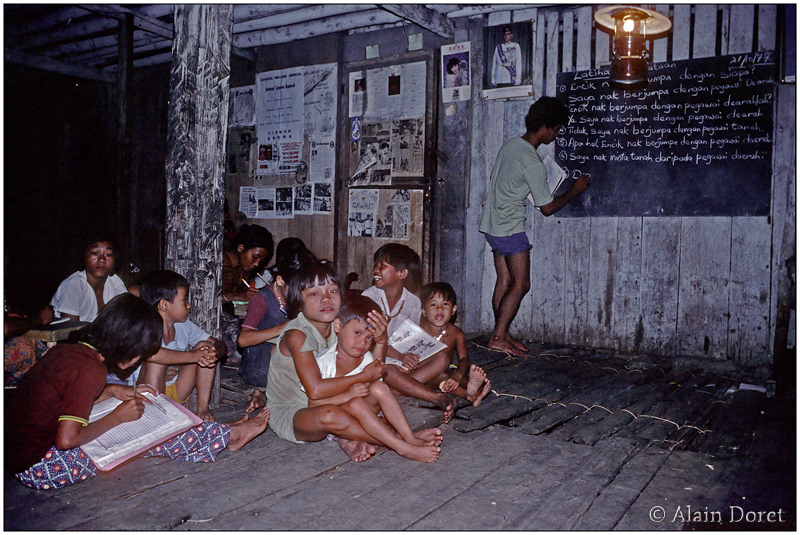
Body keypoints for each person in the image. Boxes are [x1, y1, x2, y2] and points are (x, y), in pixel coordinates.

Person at [5, 293, 270, 491]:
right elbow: (66, 440)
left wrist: (111, 390)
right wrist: (116, 418)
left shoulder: (71, 350)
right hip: (44, 466)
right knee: (148, 431)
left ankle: (220, 432)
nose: (137, 360)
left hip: (20, 458)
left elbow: (66, 398)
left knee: (140, 421)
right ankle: (227, 436)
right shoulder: (91, 369)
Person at [247, 261, 393, 463]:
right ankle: (398, 442)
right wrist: (364, 376)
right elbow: (315, 391)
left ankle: (348, 437)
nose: (326, 299)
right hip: (295, 413)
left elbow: (372, 372)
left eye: (332, 291)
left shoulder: (339, 327)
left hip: (334, 399)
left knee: (374, 390)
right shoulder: (297, 335)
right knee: (330, 415)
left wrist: (381, 339)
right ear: (299, 302)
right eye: (314, 294)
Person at [479, 96, 590, 356]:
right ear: (547, 127)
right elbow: (547, 208)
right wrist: (574, 190)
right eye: (557, 129)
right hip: (509, 227)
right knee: (521, 284)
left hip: (492, 224)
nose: (556, 134)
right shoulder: (532, 161)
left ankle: (502, 333)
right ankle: (498, 337)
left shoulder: (512, 145)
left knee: (505, 280)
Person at [310, 295, 441, 462]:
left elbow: (377, 386)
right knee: (355, 402)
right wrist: (347, 395)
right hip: (339, 423)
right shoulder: (324, 362)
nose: (362, 342)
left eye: (369, 337)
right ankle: (401, 447)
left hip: (366, 415)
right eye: (357, 332)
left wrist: (381, 342)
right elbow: (313, 404)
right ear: (338, 325)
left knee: (379, 388)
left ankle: (409, 437)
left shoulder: (366, 358)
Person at [361, 244, 455, 422]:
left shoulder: (412, 302)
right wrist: (401, 357)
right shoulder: (368, 298)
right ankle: (435, 397)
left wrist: (411, 357)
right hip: (376, 357)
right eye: (375, 265)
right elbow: (372, 341)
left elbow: (409, 336)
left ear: (402, 274)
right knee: (387, 370)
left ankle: (400, 387)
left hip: (400, 357)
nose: (376, 270)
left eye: (382, 266)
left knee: (442, 359)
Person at [138, 270, 227, 422]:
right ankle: (159, 417)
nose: (189, 305)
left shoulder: (184, 326)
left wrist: (215, 353)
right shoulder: (145, 328)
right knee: (156, 362)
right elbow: (151, 354)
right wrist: (193, 356)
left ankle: (203, 409)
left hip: (176, 389)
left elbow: (219, 345)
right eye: (184, 300)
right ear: (164, 305)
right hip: (146, 394)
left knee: (205, 347)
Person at [238, 239, 315, 386]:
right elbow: (243, 340)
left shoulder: (304, 295)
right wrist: (282, 328)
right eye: (293, 289)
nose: (299, 294)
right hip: (260, 363)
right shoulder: (262, 299)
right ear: (280, 280)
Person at [416, 282, 492, 407]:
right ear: (424, 311)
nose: (439, 308)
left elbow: (464, 359)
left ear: (453, 310)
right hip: (426, 375)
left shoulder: (456, 333)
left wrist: (457, 376)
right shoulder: (418, 331)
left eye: (445, 304)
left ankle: (475, 393)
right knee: (442, 378)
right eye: (433, 304)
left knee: (462, 379)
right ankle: (470, 395)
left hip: (449, 370)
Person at [48, 233, 128, 322]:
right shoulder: (75, 285)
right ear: (84, 256)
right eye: (95, 253)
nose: (101, 259)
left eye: (108, 254)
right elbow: (69, 331)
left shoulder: (116, 284)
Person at [222, 224, 274, 304]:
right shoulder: (219, 265)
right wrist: (238, 296)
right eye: (255, 256)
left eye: (261, 260)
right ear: (241, 247)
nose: (257, 264)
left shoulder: (242, 270)